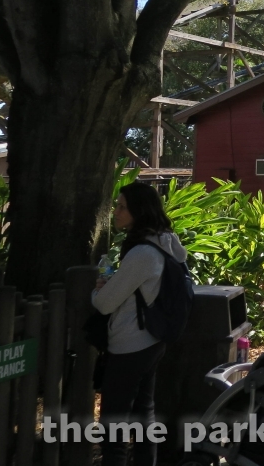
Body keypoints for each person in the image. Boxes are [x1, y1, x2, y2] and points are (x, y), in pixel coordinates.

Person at [92, 182, 188, 466]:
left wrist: (97, 289)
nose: (116, 212)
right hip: (153, 339)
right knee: (144, 412)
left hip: (130, 343)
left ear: (139, 211)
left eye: (122, 206)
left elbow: (104, 303)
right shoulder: (167, 241)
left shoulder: (142, 253)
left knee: (114, 421)